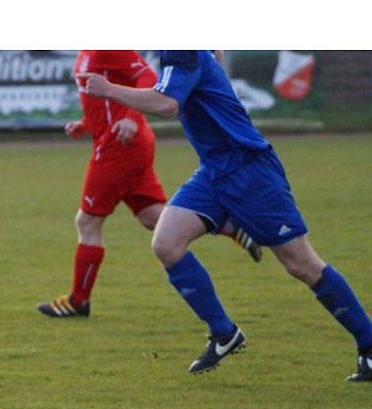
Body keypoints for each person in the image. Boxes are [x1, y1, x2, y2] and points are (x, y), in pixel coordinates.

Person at [79, 50, 372, 381]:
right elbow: (213, 56)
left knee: (302, 265)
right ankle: (224, 332)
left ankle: (370, 344)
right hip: (215, 171)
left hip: (249, 171)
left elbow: (166, 104)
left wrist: (109, 89)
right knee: (166, 243)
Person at [38, 49, 262, 319]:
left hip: (119, 147)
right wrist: (86, 123)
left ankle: (78, 301)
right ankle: (228, 225)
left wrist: (131, 119)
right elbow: (105, 99)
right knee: (151, 216)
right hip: (124, 143)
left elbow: (147, 77)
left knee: (87, 222)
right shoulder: (88, 50)